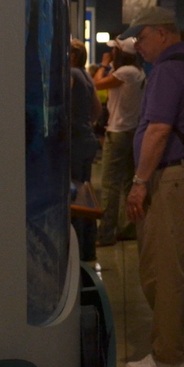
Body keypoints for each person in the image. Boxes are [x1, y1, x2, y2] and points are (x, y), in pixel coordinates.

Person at [123, 5, 184, 367]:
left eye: (141, 37)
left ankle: (168, 357)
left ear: (163, 33)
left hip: (173, 179)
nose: (138, 45)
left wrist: (140, 183)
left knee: (166, 269)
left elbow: (158, 130)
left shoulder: (166, 70)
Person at [93, 43, 144, 246]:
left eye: (114, 49)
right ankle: (129, 228)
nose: (111, 52)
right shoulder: (138, 72)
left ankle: (106, 233)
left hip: (118, 131)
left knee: (110, 184)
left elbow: (97, 84)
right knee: (127, 183)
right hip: (133, 131)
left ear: (120, 53)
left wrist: (103, 65)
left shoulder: (124, 72)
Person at [69, 40, 101, 262]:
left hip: (74, 141)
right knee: (86, 196)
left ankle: (76, 249)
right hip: (86, 139)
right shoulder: (85, 74)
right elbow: (97, 108)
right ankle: (88, 248)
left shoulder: (70, 74)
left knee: (75, 199)